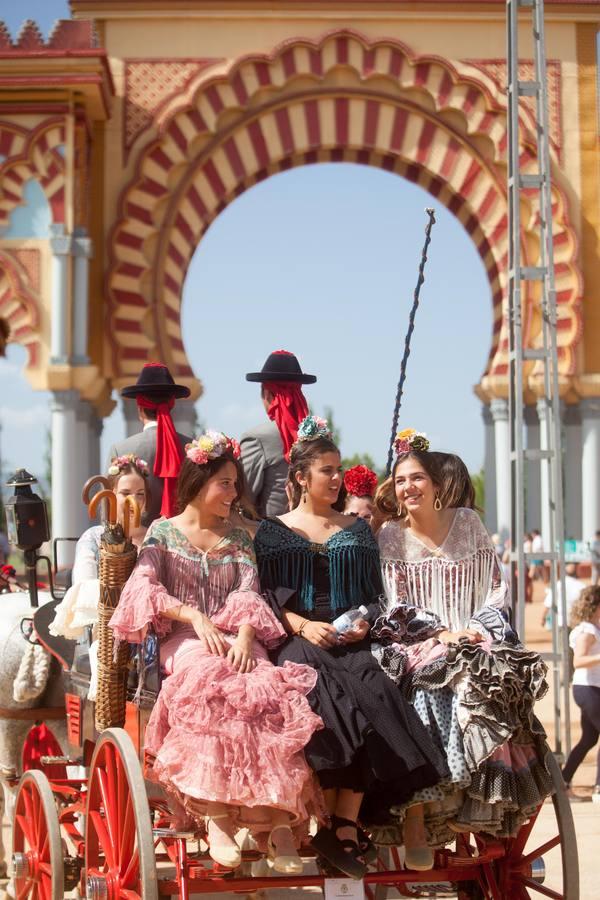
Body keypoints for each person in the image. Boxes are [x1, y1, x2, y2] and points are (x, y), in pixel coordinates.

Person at [109, 432, 323, 873]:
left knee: (268, 689)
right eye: (225, 484)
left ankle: (277, 821)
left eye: (234, 485)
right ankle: (218, 818)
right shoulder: (163, 533)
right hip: (184, 642)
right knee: (208, 683)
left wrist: (246, 636)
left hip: (236, 638)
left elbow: (249, 591)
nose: (234, 494)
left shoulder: (239, 538)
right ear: (198, 482)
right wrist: (193, 616)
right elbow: (144, 586)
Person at [254, 416, 449, 877]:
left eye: (339, 469)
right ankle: (330, 822)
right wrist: (301, 625)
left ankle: (344, 825)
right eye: (327, 470)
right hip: (295, 639)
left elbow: (371, 596)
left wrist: (363, 624)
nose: (337, 478)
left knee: (376, 693)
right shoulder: (272, 531)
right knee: (322, 693)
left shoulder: (357, 531)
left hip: (349, 639)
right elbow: (259, 597)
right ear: (301, 478)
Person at [372, 428, 551, 846]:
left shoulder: (468, 523)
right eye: (400, 481)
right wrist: (441, 632)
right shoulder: (390, 536)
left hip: (474, 633)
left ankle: (481, 797)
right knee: (434, 684)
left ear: (436, 484)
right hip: (418, 641)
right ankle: (434, 799)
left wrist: (478, 627)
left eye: (416, 478)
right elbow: (395, 603)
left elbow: (495, 587)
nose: (408, 487)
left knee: (484, 676)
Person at [107, 363, 192, 524]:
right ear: (171, 406)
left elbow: (109, 506)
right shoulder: (192, 448)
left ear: (140, 408)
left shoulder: (121, 449)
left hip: (134, 542)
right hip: (184, 542)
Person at [241, 350, 316, 518]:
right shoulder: (319, 435)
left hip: (271, 536)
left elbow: (243, 497)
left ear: (267, 394)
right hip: (317, 534)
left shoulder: (257, 437)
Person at [561, 586, 600, 802]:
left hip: (592, 688)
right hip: (588, 688)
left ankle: (563, 782)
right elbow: (579, 661)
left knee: (589, 739)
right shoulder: (587, 630)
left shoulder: (594, 627)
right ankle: (598, 788)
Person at [541, 562, 586, 630]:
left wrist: (542, 618)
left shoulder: (558, 584)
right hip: (578, 624)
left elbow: (548, 603)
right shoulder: (582, 586)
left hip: (562, 622)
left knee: (562, 640)